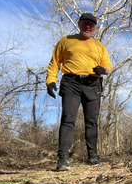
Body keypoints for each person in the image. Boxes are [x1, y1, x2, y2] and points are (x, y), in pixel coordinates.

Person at [46, 13, 112, 171]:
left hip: (92, 84)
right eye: (85, 23)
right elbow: (54, 63)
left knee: (92, 121)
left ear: (95, 28)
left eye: (91, 25)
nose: (87, 27)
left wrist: (102, 69)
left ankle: (93, 157)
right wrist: (50, 81)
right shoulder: (66, 41)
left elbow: (108, 67)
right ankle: (63, 160)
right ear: (79, 24)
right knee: (68, 119)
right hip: (71, 83)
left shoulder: (99, 46)